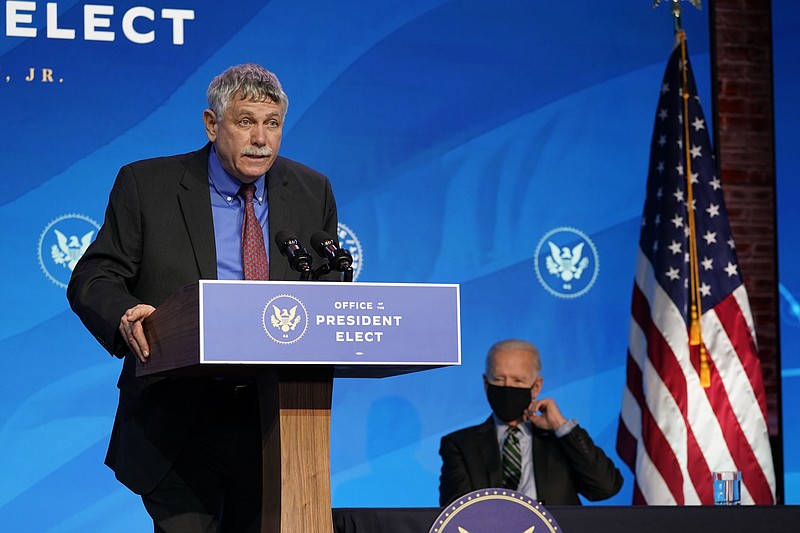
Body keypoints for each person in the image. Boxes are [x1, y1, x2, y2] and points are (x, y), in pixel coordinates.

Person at [67, 64, 339, 532]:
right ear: (213, 124)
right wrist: (125, 315)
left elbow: (328, 290)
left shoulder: (312, 190)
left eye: (272, 123)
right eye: (245, 121)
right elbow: (95, 274)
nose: (261, 138)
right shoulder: (147, 185)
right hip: (178, 418)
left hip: (279, 419)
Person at [438, 339, 623, 506]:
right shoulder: (460, 445)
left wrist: (561, 426)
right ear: (486, 383)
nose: (507, 387)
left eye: (518, 381)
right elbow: (457, 510)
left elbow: (605, 488)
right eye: (499, 379)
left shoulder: (560, 440)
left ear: (536, 386)